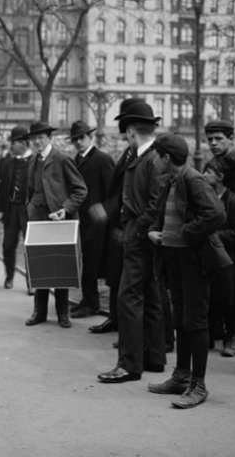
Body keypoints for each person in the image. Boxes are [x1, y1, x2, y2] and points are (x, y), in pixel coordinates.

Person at [145, 133, 225, 408]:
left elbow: (216, 213)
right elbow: (165, 217)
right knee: (180, 317)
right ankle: (181, 376)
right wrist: (156, 232)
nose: (153, 161)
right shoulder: (171, 180)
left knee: (196, 320)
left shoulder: (193, 178)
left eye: (155, 156)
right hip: (175, 259)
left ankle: (198, 384)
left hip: (194, 261)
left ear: (166, 157)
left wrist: (184, 233)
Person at [98, 101, 166, 383]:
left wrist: (135, 231)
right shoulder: (152, 157)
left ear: (130, 131)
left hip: (139, 238)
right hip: (144, 237)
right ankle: (153, 357)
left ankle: (128, 364)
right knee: (150, 296)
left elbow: (156, 203)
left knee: (128, 299)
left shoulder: (149, 159)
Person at [22, 121, 88, 329]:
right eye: (34, 139)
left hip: (59, 221)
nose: (37, 142)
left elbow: (81, 190)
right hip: (38, 221)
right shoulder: (33, 161)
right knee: (40, 266)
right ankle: (39, 312)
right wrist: (30, 208)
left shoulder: (61, 159)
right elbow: (30, 190)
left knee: (60, 267)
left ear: (49, 138)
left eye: (41, 138)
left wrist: (65, 209)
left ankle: (62, 313)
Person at [88, 97, 145, 336]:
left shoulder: (141, 155)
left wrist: (108, 208)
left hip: (130, 225)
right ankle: (114, 318)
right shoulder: (129, 152)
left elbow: (128, 194)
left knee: (128, 279)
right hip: (118, 224)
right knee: (115, 274)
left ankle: (128, 327)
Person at [204, 119, 235, 352]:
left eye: (218, 139)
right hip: (222, 227)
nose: (213, 143)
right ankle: (219, 329)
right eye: (210, 139)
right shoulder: (214, 164)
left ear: (230, 140)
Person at [68, 120, 115, 318]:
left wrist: (105, 211)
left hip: (97, 222)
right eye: (75, 139)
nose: (78, 142)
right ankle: (87, 300)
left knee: (93, 264)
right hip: (81, 220)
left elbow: (113, 191)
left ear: (90, 137)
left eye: (82, 138)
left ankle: (91, 303)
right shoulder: (75, 160)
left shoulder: (102, 160)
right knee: (85, 261)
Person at [0, 125, 32, 291]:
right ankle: (9, 276)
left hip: (27, 211)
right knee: (8, 245)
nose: (11, 146)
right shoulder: (9, 163)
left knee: (30, 246)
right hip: (11, 210)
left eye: (14, 143)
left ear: (23, 143)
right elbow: (2, 187)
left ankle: (32, 282)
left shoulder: (34, 162)